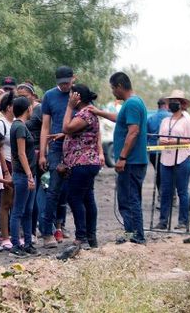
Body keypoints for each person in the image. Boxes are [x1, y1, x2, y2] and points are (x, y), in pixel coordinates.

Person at [88, 72, 148, 244]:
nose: (113, 92)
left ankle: (136, 235)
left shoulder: (132, 104)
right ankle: (132, 233)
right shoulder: (133, 103)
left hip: (131, 161)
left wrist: (122, 157)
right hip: (133, 160)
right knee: (128, 198)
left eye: (113, 88)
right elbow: (120, 120)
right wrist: (99, 112)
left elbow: (133, 131)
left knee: (130, 199)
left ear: (120, 86)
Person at [62, 84, 103, 249]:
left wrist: (69, 107)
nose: (69, 98)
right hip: (87, 163)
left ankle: (82, 236)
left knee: (75, 198)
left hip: (83, 162)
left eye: (71, 95)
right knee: (87, 199)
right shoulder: (89, 112)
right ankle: (90, 237)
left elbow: (67, 128)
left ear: (77, 97)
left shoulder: (85, 113)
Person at [39, 66, 75, 248]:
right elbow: (46, 126)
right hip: (56, 149)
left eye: (67, 83)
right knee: (52, 191)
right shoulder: (49, 96)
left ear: (73, 79)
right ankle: (47, 233)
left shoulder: (79, 95)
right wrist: (43, 152)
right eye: (61, 84)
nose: (64, 87)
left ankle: (81, 233)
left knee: (73, 192)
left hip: (76, 149)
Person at [154, 90, 190, 230]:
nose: (172, 103)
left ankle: (183, 221)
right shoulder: (165, 120)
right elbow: (160, 137)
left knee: (182, 191)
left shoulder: (187, 121)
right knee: (165, 191)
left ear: (182, 104)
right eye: (171, 101)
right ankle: (163, 221)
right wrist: (163, 141)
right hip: (166, 159)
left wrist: (175, 142)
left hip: (183, 159)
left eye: (176, 101)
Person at [9, 97, 39, 258]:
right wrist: (29, 175)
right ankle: (15, 244)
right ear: (28, 109)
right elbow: (21, 153)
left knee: (28, 210)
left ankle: (28, 243)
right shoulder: (20, 127)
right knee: (18, 211)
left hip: (28, 173)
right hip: (23, 174)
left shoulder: (20, 126)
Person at [0, 92, 15, 249]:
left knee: (16, 202)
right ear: (9, 107)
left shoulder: (16, 122)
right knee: (5, 202)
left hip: (17, 164)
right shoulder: (0, 124)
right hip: (5, 163)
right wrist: (5, 170)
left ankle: (15, 234)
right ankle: (5, 236)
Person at [147, 98, 171, 197]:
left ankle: (161, 195)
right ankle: (169, 196)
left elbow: (146, 136)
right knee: (169, 174)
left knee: (159, 173)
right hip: (168, 151)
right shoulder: (171, 117)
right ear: (166, 105)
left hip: (153, 151)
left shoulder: (151, 118)